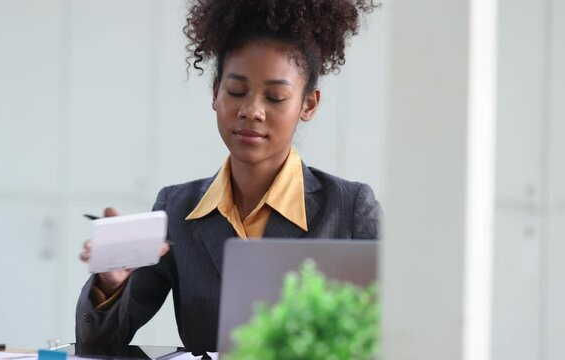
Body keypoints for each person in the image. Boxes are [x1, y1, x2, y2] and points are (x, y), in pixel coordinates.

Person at [75, 0, 380, 355]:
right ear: (216, 92)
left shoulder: (350, 208)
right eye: (236, 91)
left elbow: (404, 329)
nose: (251, 110)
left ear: (308, 104)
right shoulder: (177, 208)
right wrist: (111, 281)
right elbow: (96, 345)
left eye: (276, 97)